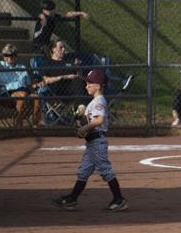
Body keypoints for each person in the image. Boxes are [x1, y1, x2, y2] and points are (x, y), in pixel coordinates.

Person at [52, 69, 128, 211]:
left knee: (105, 171)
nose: (86, 86)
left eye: (89, 83)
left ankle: (119, 199)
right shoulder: (94, 102)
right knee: (84, 171)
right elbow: (88, 121)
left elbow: (99, 120)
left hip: (98, 142)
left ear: (98, 86)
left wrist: (85, 127)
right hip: (92, 142)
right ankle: (72, 199)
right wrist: (78, 120)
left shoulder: (99, 101)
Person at [0, 44, 40, 127]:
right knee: (22, 95)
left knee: (36, 97)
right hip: (6, 93)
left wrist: (33, 92)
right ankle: (18, 124)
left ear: (16, 56)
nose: (8, 57)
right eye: (6, 55)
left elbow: (29, 85)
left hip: (23, 90)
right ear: (3, 56)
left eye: (11, 55)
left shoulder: (22, 67)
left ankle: (35, 125)